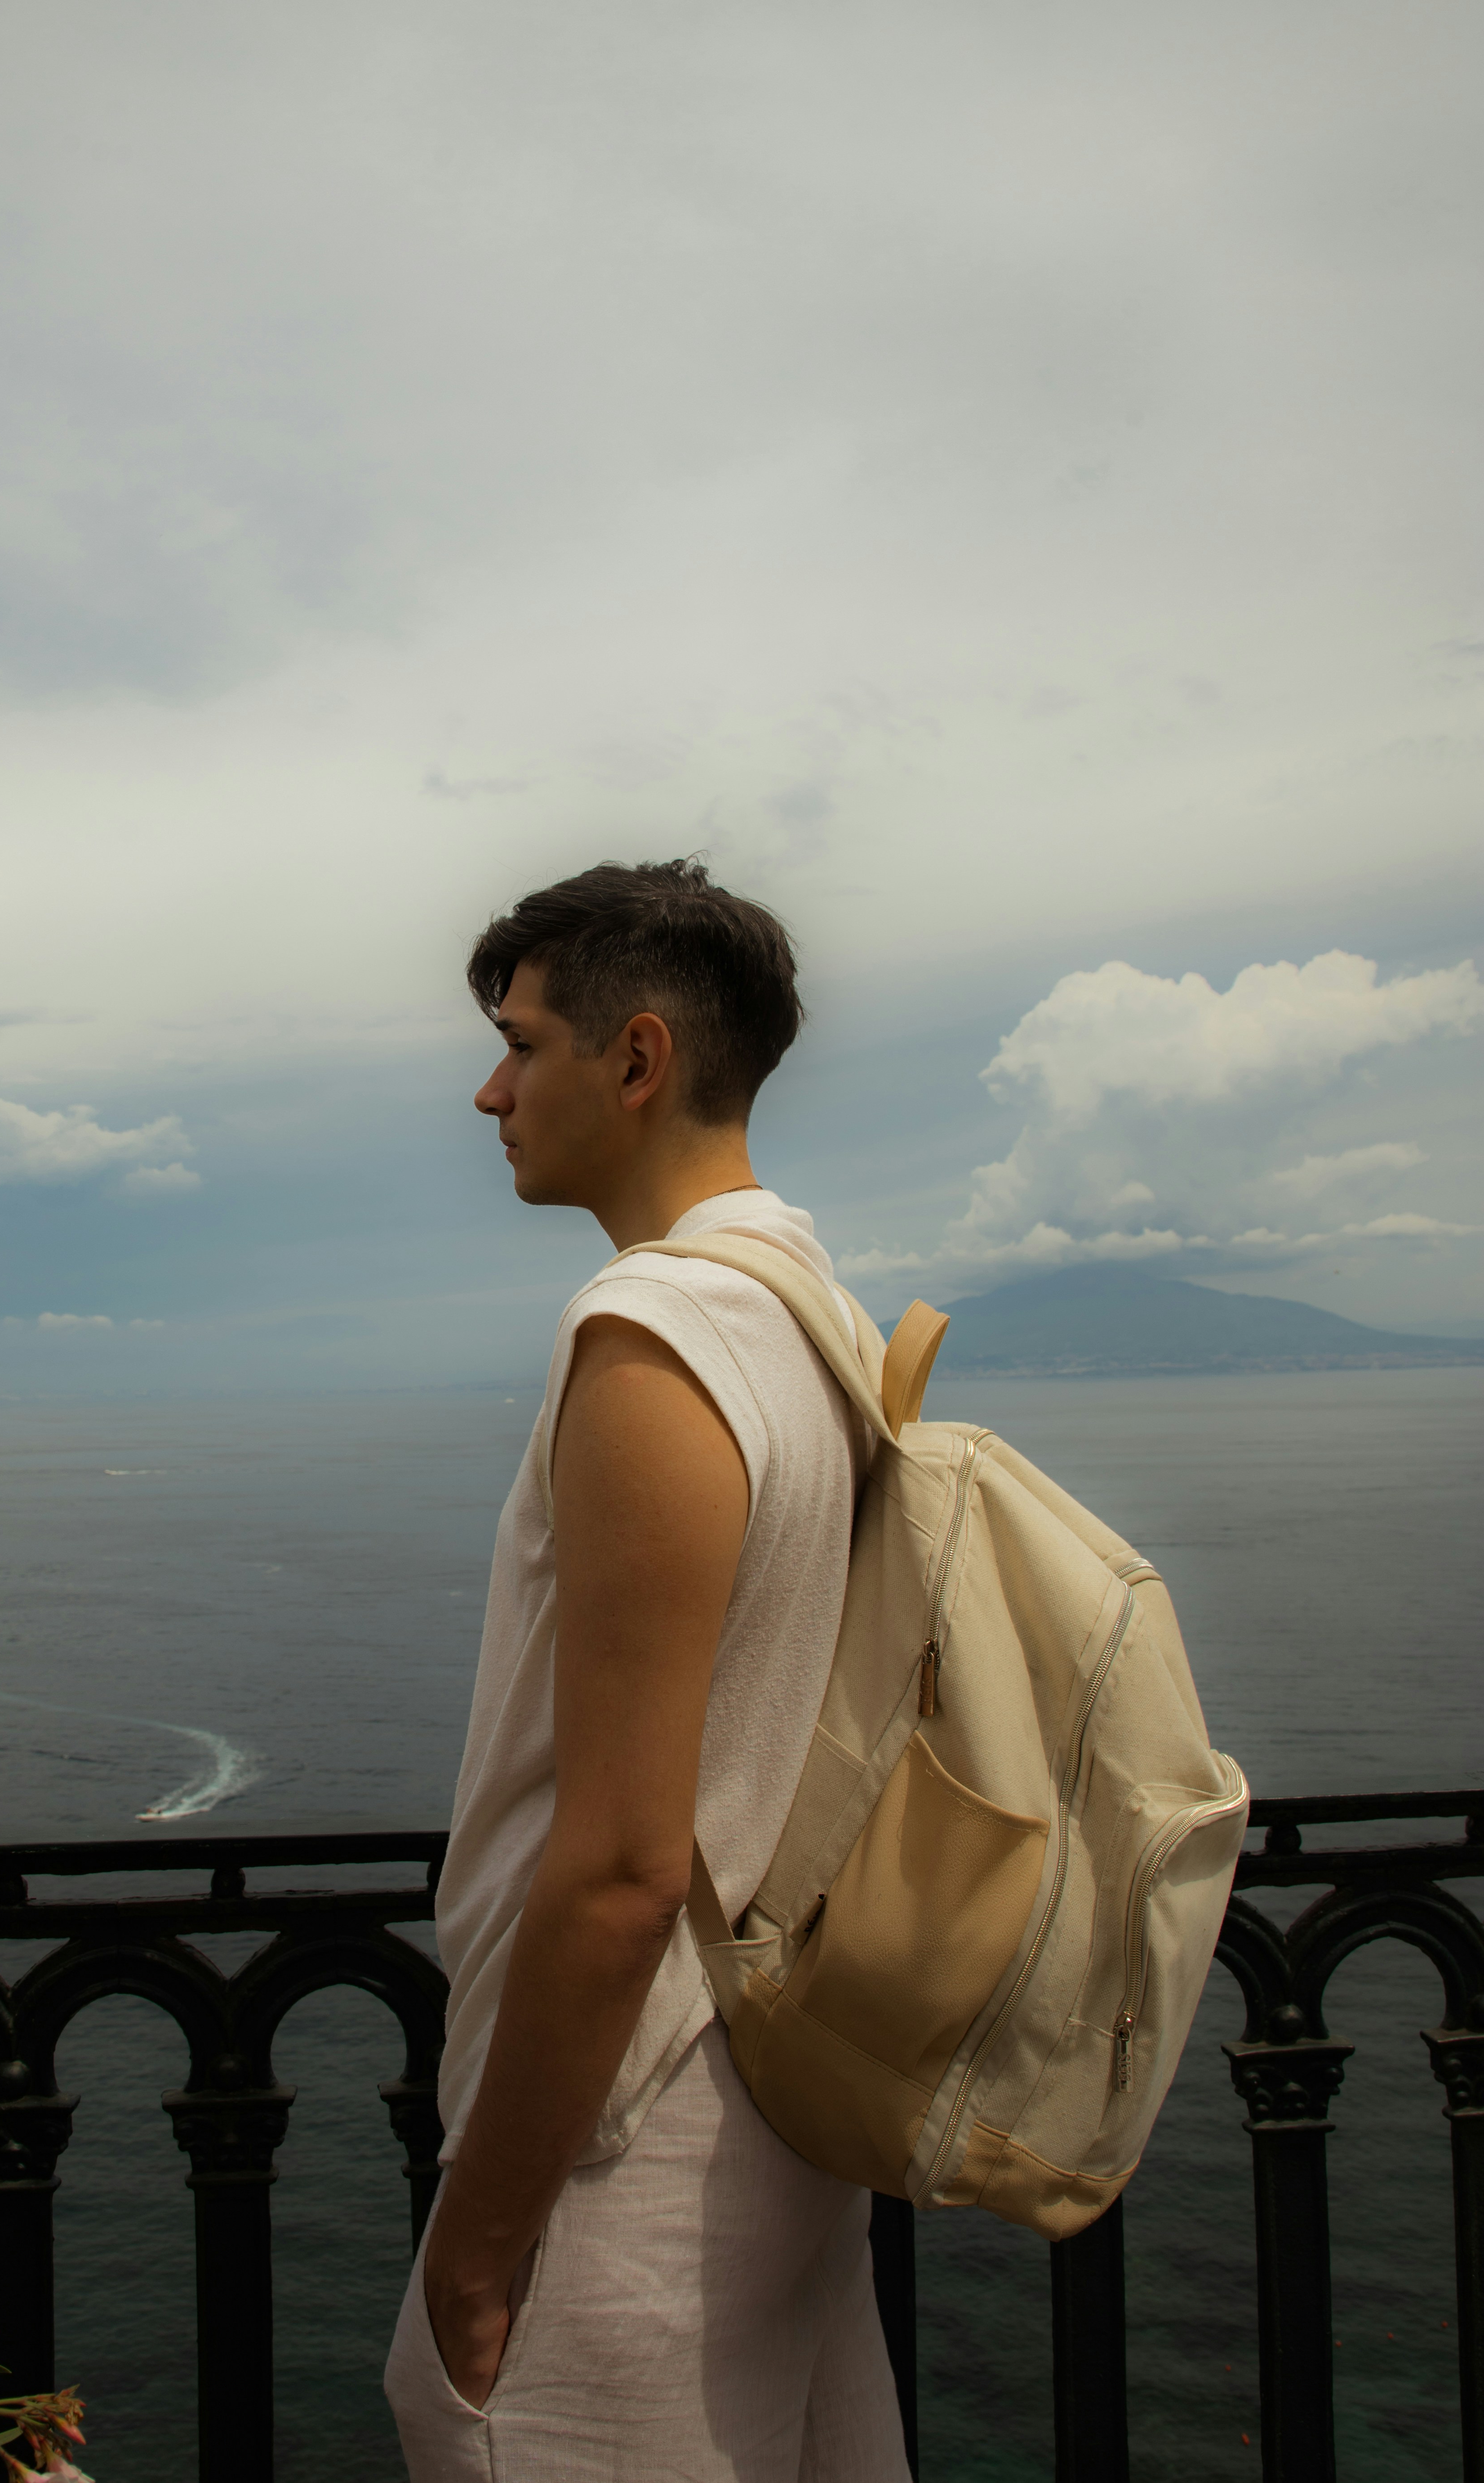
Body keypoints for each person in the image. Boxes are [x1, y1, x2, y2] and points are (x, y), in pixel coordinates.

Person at [383, 859, 911, 2482]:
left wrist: (477, 2247)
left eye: (521, 1043)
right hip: (771, 2110)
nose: (488, 1090)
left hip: (624, 2141)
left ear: (639, 1058)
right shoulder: (811, 1307)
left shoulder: (654, 1335)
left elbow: (621, 1862)